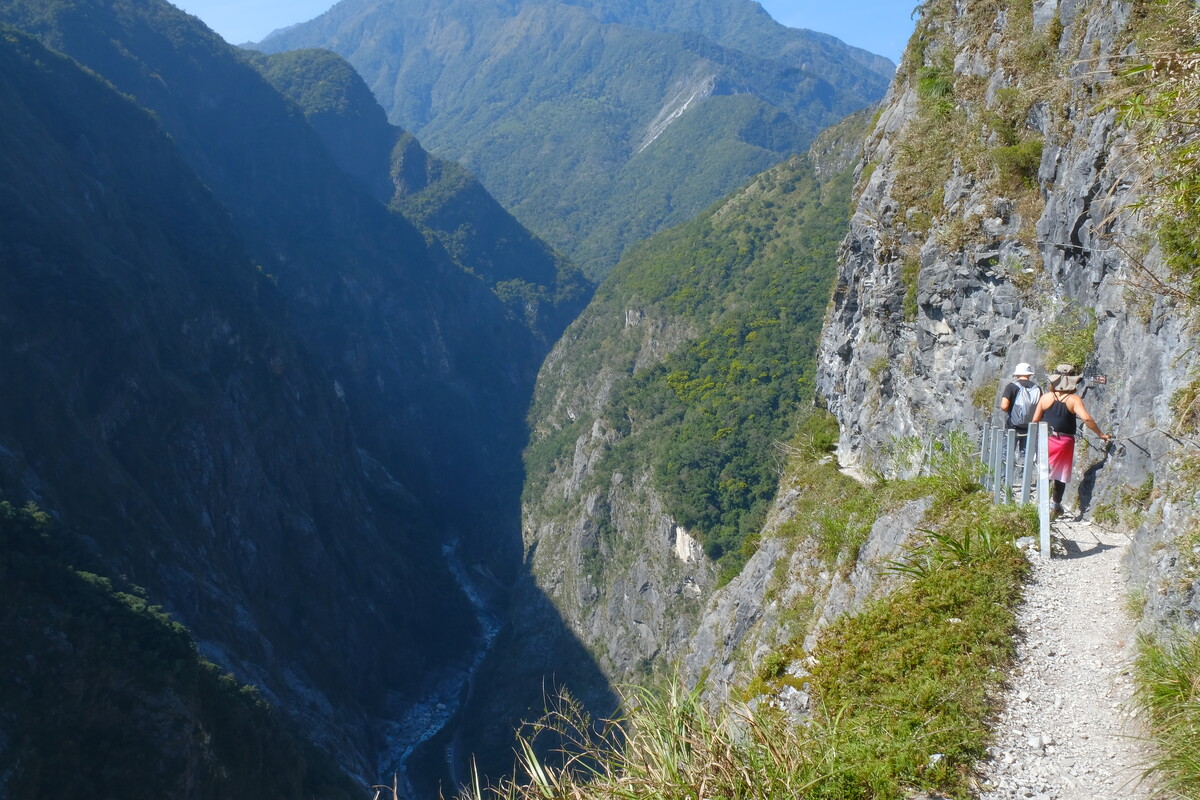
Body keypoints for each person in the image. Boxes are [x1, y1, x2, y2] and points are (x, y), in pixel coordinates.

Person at [1029, 364, 1113, 518]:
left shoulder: (1046, 397)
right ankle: (1056, 505)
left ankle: (1041, 504)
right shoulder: (1074, 400)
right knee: (1059, 474)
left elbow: (1035, 420)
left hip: (1046, 438)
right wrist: (1101, 434)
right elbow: (1086, 418)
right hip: (1065, 441)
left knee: (1044, 470)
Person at [999, 362, 1040, 457]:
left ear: (1017, 374)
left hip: (1013, 426)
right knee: (1026, 455)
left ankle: (1004, 472)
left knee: (1007, 454)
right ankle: (1024, 471)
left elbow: (1004, 406)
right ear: (1029, 374)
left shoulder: (1011, 387)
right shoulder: (1037, 388)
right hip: (1031, 427)